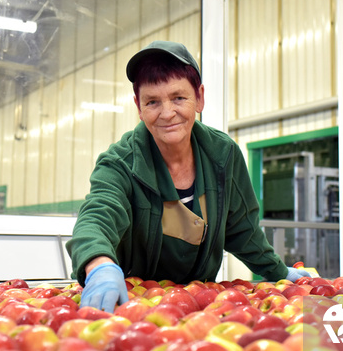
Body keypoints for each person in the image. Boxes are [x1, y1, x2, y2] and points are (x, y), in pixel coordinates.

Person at [66, 41, 311, 312]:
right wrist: (100, 266)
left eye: (179, 98)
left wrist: (278, 271)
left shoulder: (223, 154)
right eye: (152, 102)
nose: (167, 113)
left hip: (201, 306)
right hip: (131, 306)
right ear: (138, 106)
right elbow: (98, 215)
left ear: (199, 97)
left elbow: (242, 229)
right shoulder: (121, 163)